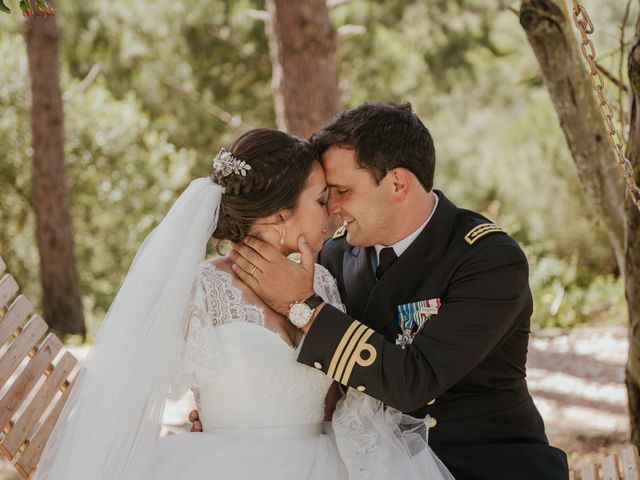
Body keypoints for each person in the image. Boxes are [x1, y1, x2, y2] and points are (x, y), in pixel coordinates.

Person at [35, 128, 453, 480]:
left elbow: (334, 397)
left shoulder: (322, 280)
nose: (331, 212)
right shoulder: (202, 288)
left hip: (325, 462)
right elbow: (128, 396)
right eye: (320, 200)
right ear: (279, 215)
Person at [227, 103, 570, 480]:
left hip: (482, 466)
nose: (332, 208)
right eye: (327, 195)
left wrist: (303, 306)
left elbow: (413, 382)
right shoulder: (336, 255)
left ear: (397, 184)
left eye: (342, 191)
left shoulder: (487, 259)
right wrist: (241, 419)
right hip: (369, 465)